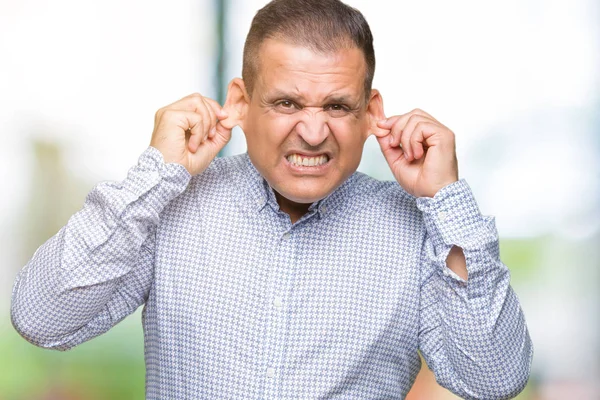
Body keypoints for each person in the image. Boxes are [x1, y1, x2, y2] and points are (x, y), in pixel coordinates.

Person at [10, 0, 533, 398]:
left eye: (336, 105)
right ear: (239, 102)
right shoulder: (170, 206)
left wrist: (447, 200)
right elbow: (41, 317)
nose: (311, 132)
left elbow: (494, 378)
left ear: (372, 111)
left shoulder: (420, 229)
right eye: (286, 102)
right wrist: (156, 175)